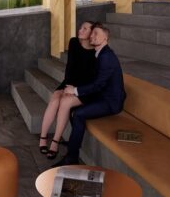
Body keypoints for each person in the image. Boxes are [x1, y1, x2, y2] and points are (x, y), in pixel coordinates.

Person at [54, 24, 126, 166]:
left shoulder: (106, 57)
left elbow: (98, 84)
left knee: (78, 114)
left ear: (105, 37)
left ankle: (71, 157)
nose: (92, 36)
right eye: (91, 33)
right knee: (72, 107)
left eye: (96, 34)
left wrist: (75, 90)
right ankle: (75, 139)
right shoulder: (99, 53)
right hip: (101, 95)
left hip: (111, 102)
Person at [38, 21, 96, 159]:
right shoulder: (74, 43)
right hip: (69, 82)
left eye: (85, 29)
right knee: (55, 99)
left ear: (91, 34)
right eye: (81, 27)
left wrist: (74, 90)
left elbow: (91, 79)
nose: (80, 30)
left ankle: (55, 142)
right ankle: (43, 137)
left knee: (63, 101)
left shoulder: (95, 53)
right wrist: (67, 88)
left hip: (83, 89)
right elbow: (70, 68)